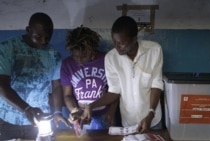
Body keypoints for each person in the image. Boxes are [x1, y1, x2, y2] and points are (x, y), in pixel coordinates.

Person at [82, 16, 164, 133]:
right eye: (114, 42)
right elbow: (114, 92)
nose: (117, 47)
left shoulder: (154, 51)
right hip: (129, 123)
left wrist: (150, 114)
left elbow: (156, 85)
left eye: (121, 43)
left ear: (134, 39)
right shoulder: (111, 58)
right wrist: (91, 106)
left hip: (153, 120)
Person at [0, 12, 69, 140]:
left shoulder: (53, 54)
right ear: (28, 30)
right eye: (38, 36)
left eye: (48, 37)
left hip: (39, 121)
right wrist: (26, 109)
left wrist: (58, 111)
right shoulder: (7, 48)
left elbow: (56, 87)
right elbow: (2, 86)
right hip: (8, 120)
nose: (44, 41)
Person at [60, 26, 117, 130]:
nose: (79, 60)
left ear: (92, 50)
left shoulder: (107, 60)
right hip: (80, 116)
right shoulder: (67, 64)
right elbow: (67, 95)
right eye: (75, 56)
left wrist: (112, 111)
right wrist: (74, 110)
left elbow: (115, 91)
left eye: (83, 56)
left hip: (103, 116)